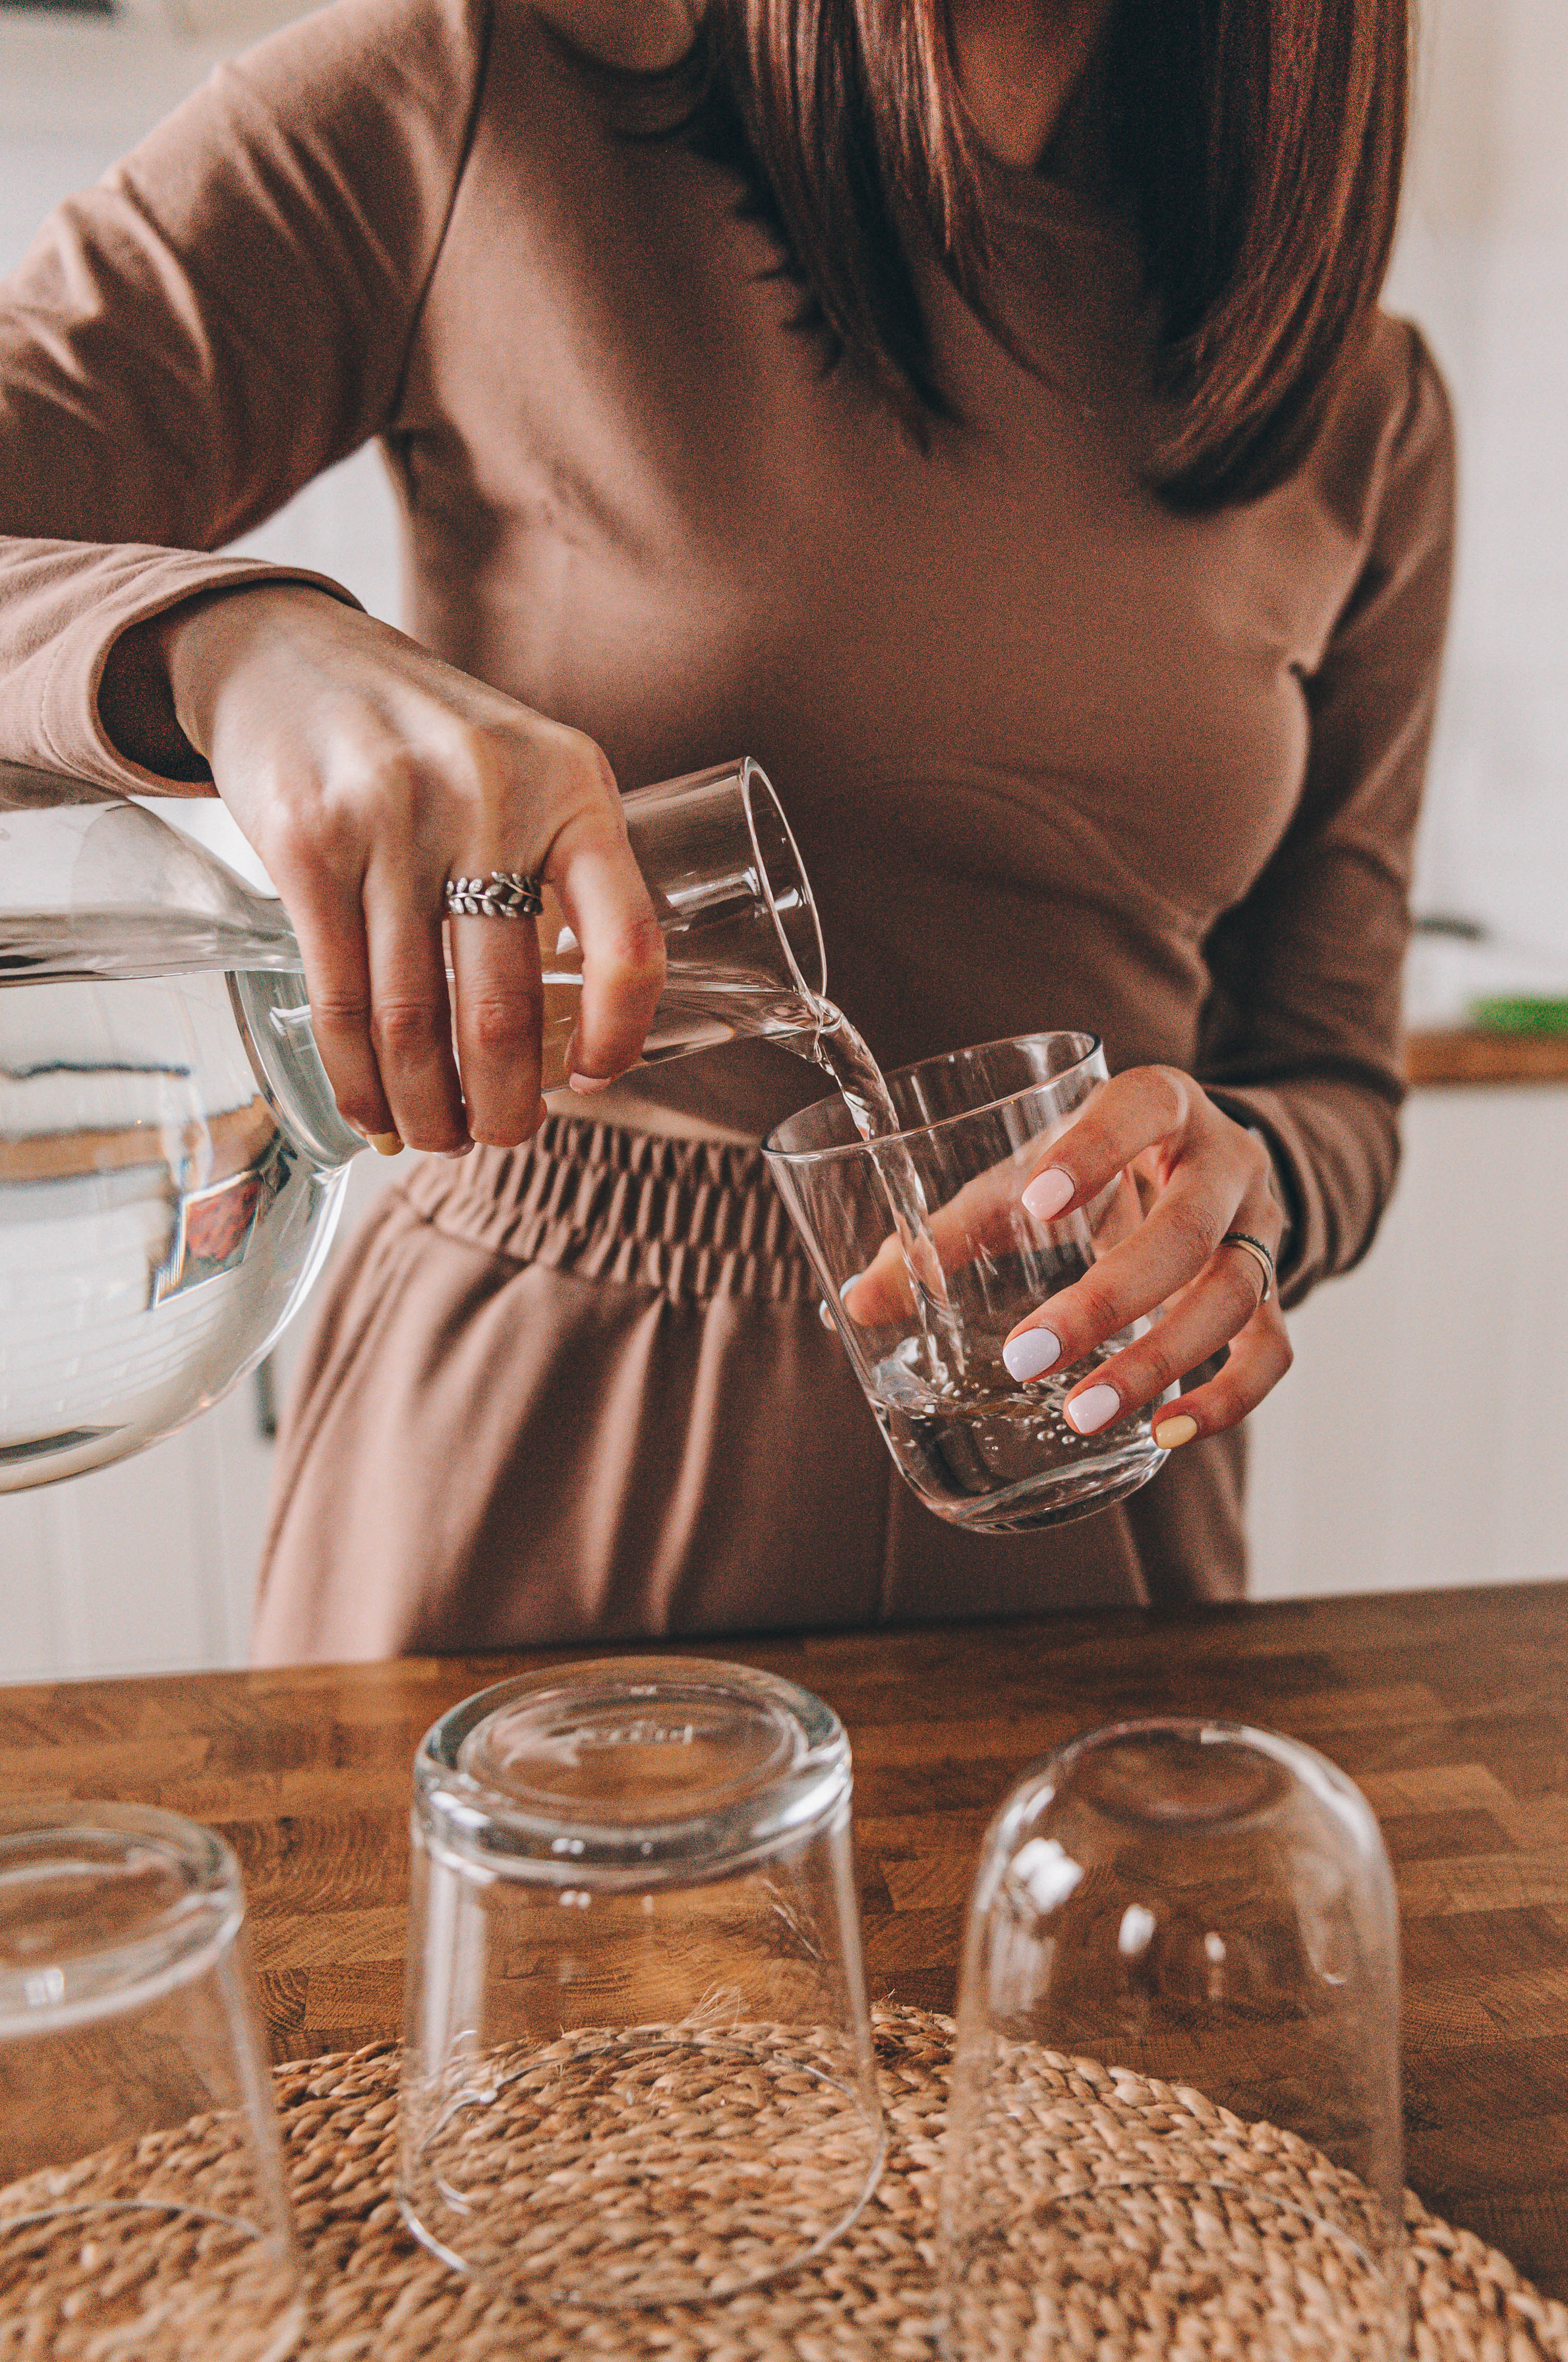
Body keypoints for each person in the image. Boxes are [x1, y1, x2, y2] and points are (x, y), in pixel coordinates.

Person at [0, 0, 1453, 1657]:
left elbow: (1328, 1077)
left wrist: (1246, 1186)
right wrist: (233, 645)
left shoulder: (1366, 406)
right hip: (535, 1473)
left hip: (1083, 1494)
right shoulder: (479, 91)